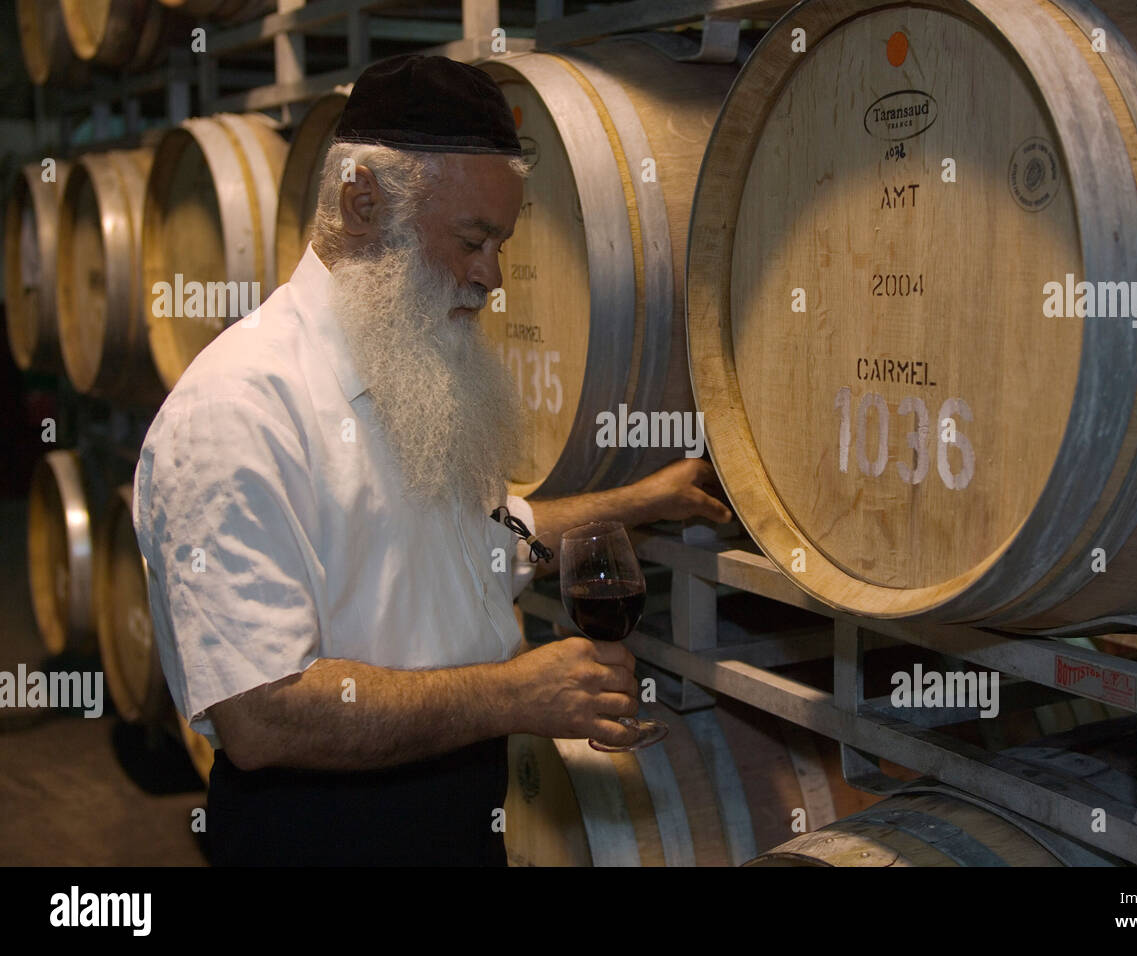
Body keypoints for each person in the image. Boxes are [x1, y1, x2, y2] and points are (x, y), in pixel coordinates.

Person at [132, 53, 731, 866]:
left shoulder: (416, 363)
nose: (491, 276)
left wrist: (639, 501)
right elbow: (263, 714)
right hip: (325, 837)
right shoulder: (236, 411)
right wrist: (511, 694)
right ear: (363, 200)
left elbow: (481, 543)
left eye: (501, 244)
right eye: (473, 240)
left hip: (458, 812)